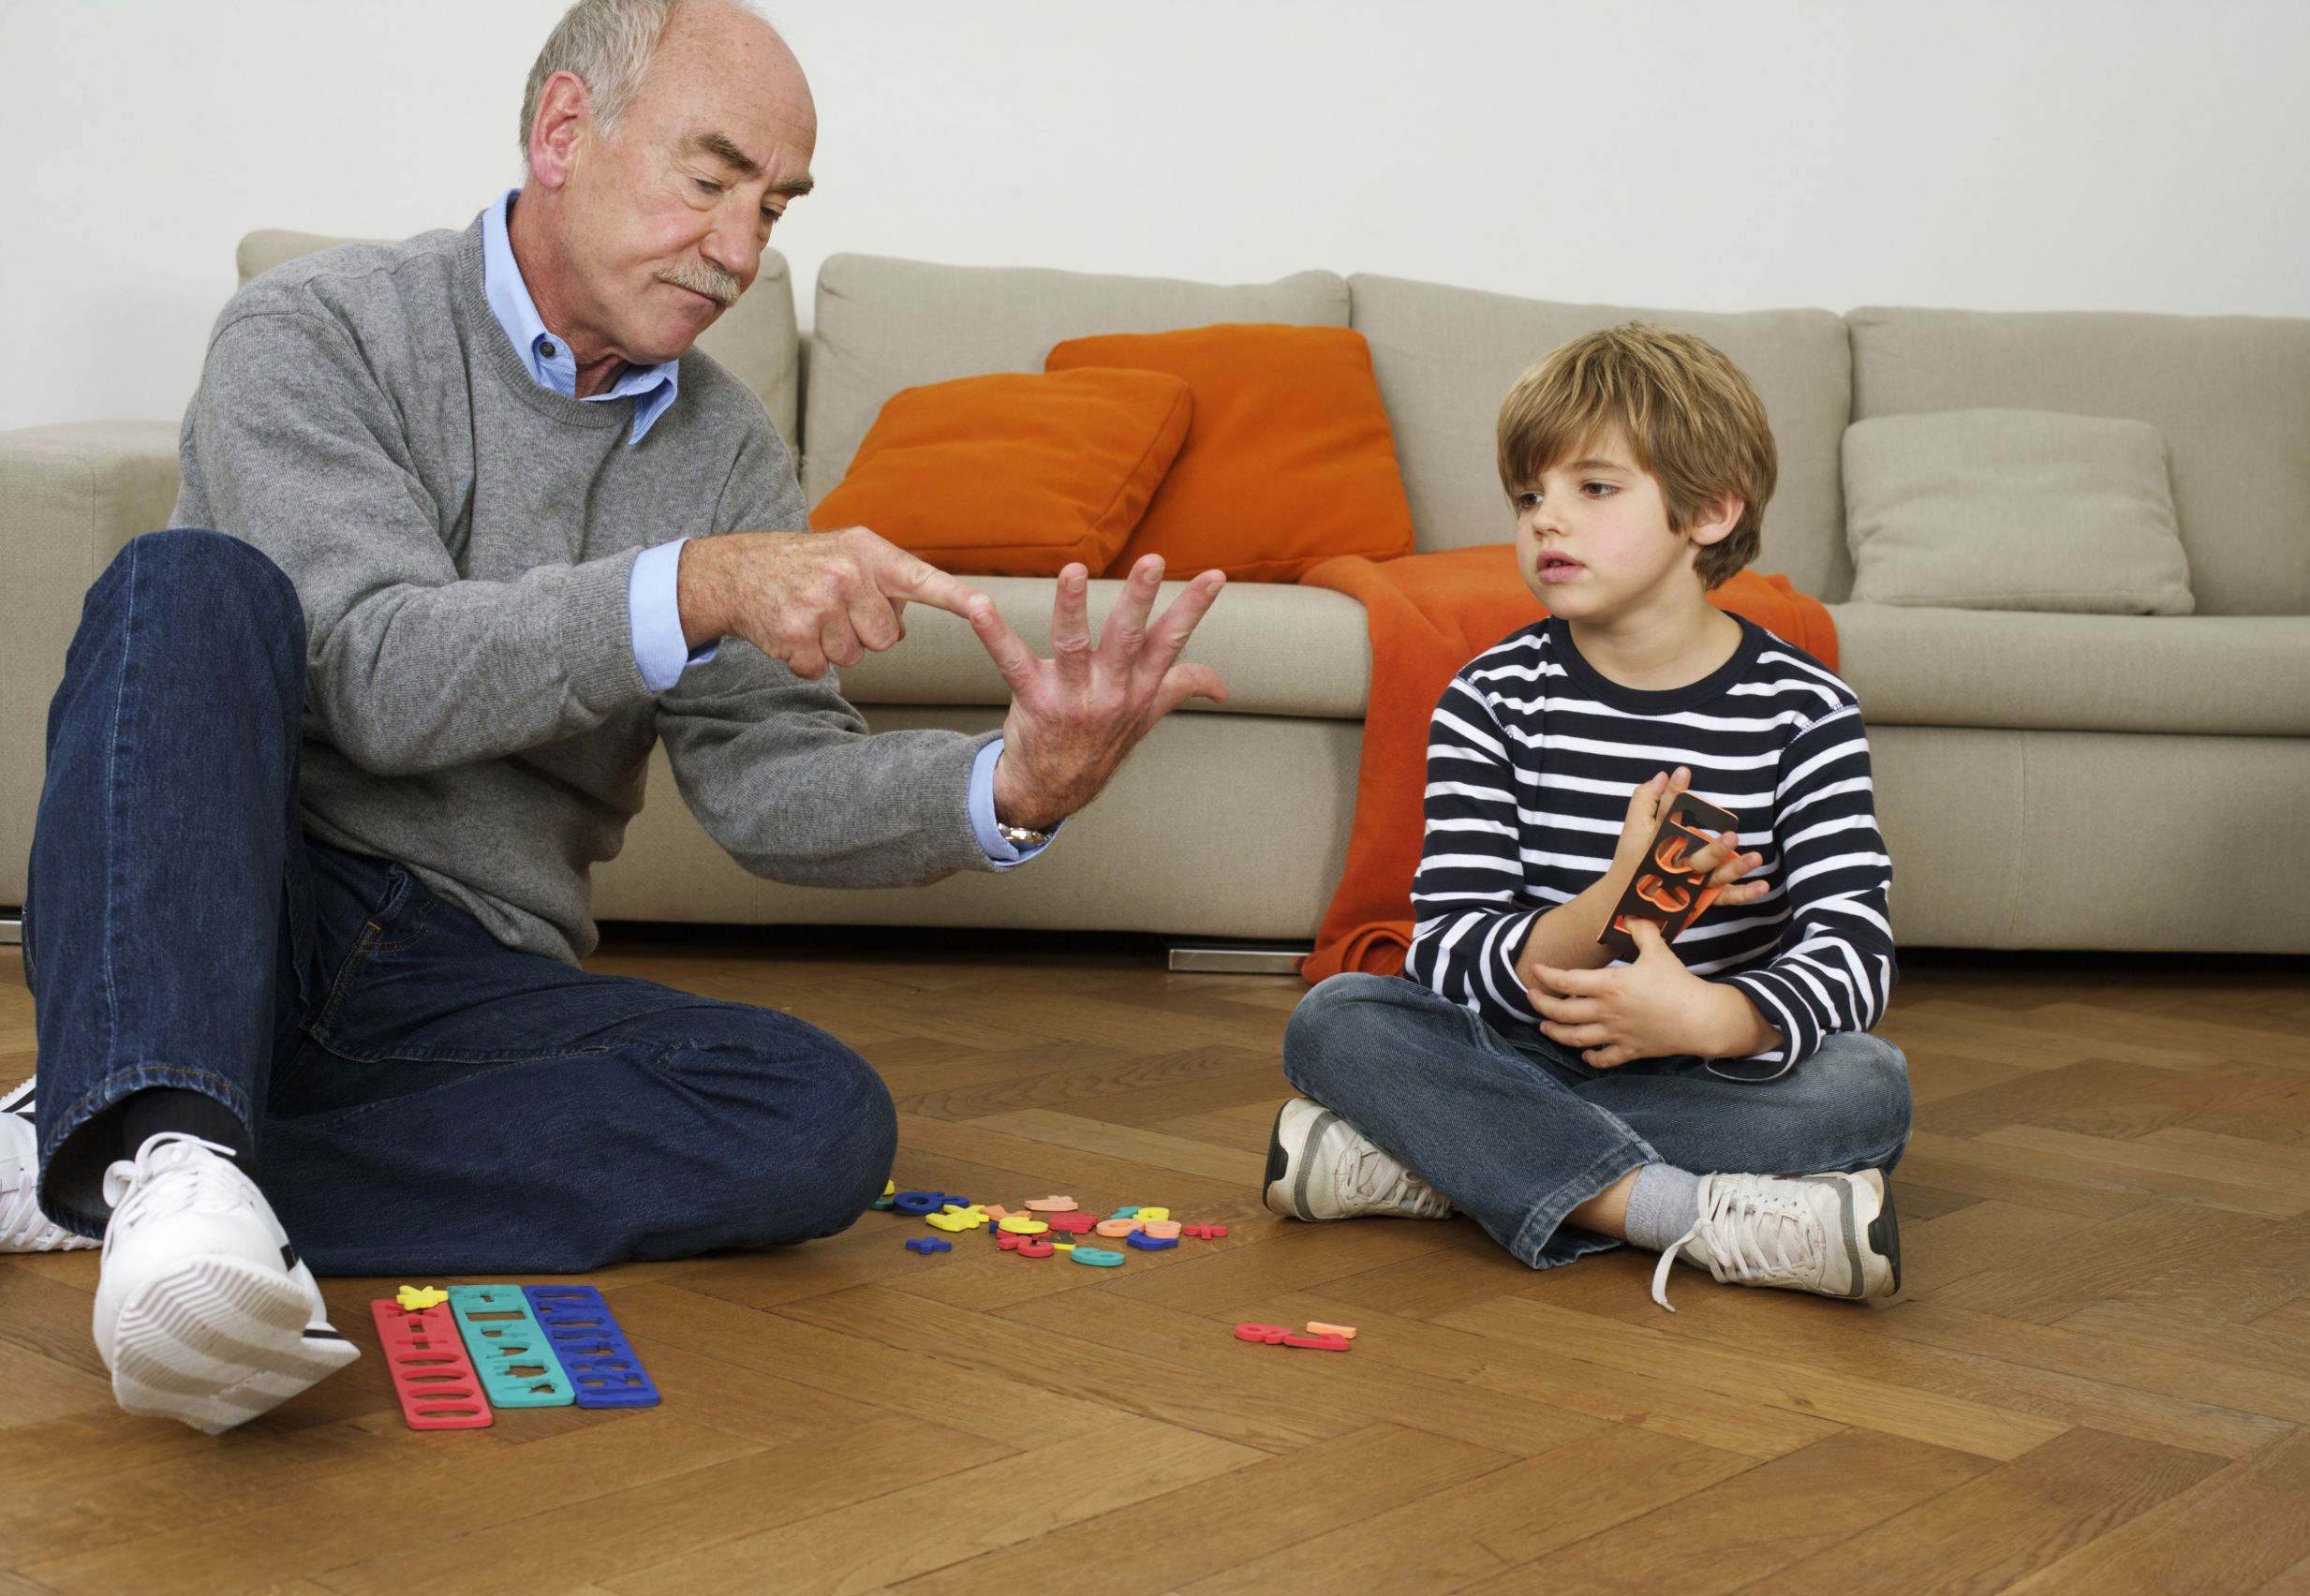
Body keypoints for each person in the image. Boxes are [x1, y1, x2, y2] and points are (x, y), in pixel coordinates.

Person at [0, 0, 1225, 1434]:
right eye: (710, 183)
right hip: (241, 896)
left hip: (462, 974)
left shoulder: (726, 450)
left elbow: (769, 783)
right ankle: (166, 1123)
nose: (742, 251)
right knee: (181, 584)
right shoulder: (316, 330)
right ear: (564, 132)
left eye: (773, 207)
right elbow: (378, 677)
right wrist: (691, 585)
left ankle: (136, 1139)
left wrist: (1015, 782)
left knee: (816, 1120)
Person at [1266, 323, 1910, 1310]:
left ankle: (1429, 1165)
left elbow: (1852, 950)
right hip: (1516, 1045)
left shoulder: (1803, 708)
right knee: (1336, 1022)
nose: (1544, 522)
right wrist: (1611, 899)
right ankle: (1674, 1213)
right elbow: (1447, 953)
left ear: (1708, 511)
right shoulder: (1489, 697)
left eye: (1593, 489)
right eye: (1529, 495)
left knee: (1867, 1086)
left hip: (1700, 1066)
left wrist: (1714, 1016)